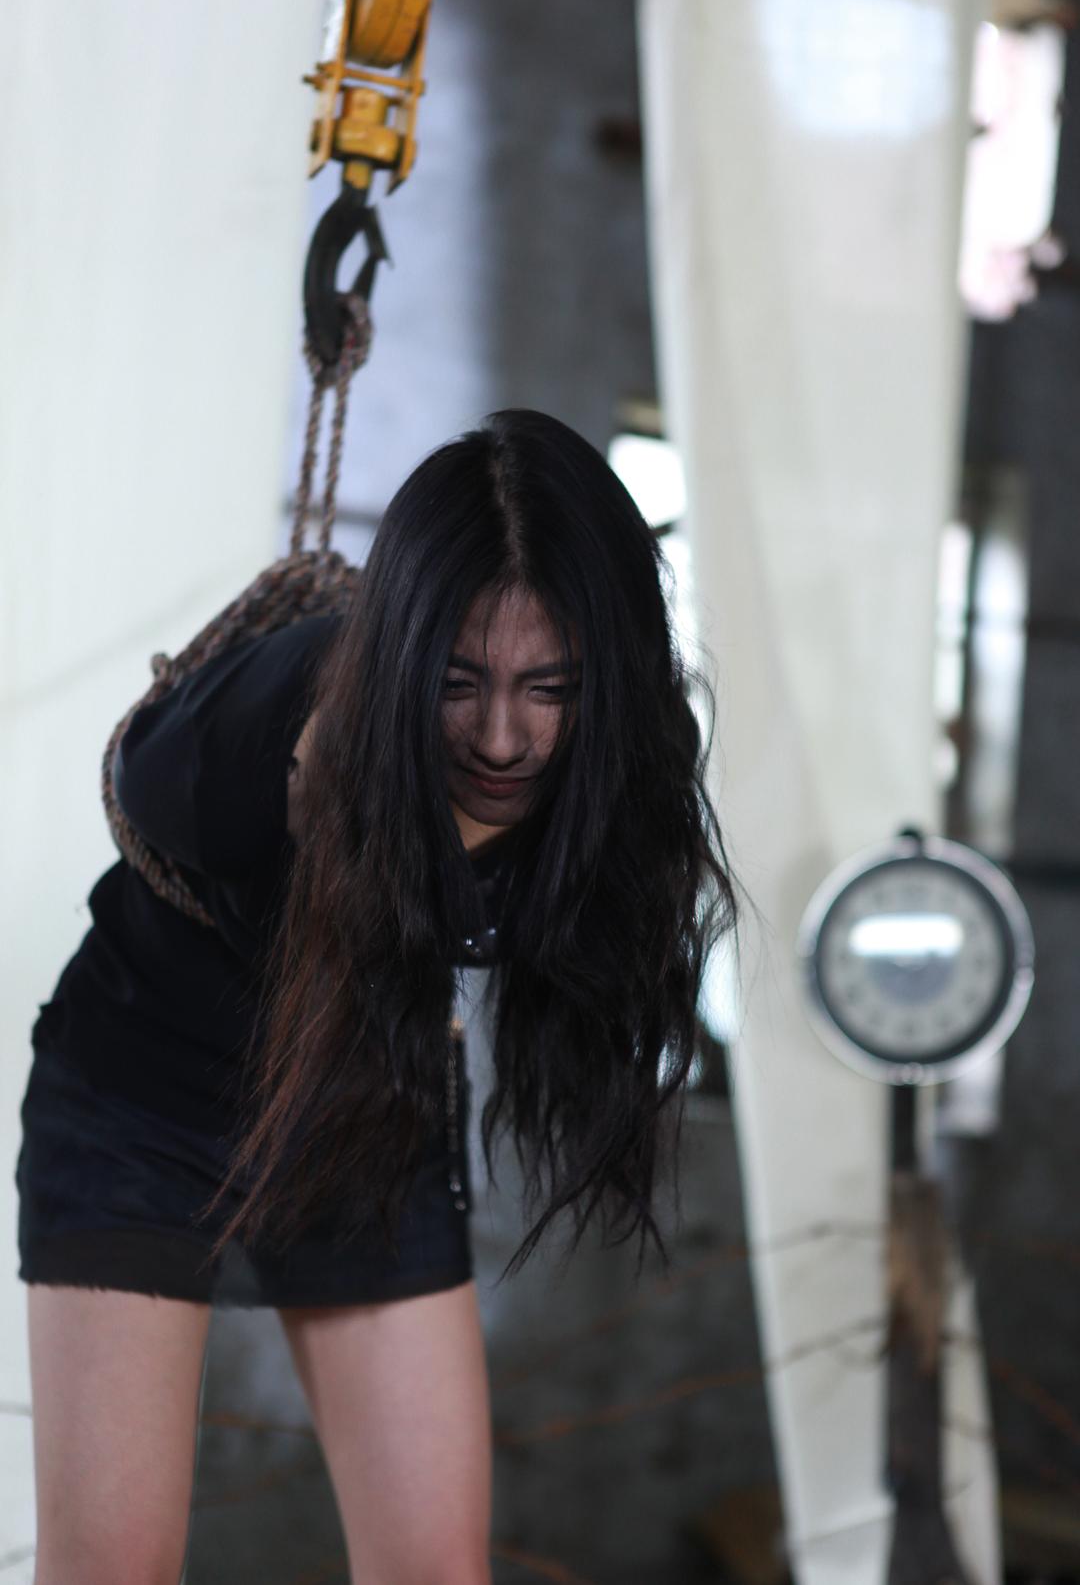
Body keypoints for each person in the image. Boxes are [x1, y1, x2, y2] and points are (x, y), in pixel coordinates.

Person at [15, 407, 737, 1585]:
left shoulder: (614, 775)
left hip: (365, 1105)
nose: (500, 737)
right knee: (113, 1571)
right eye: (458, 684)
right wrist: (316, 806)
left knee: (436, 1572)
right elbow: (144, 774)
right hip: (143, 1113)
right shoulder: (257, 754)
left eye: (549, 687)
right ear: (402, 659)